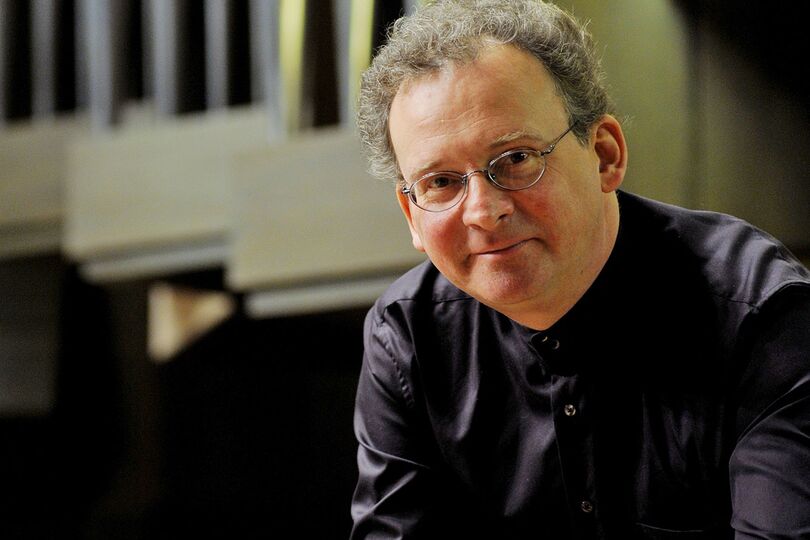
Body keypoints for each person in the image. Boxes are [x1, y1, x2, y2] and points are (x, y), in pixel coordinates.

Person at [350, 1, 810, 538]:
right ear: (412, 215)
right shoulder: (407, 337)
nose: (482, 211)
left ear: (605, 155)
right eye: (440, 182)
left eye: (516, 158)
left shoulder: (762, 317)